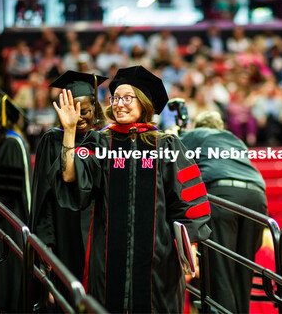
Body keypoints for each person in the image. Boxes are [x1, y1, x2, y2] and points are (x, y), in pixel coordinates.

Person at [51, 65, 211, 313]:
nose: (119, 104)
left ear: (144, 102)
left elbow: (189, 199)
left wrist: (190, 249)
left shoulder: (167, 145)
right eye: (116, 98)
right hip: (108, 256)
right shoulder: (100, 141)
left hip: (158, 257)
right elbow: (71, 175)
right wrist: (70, 131)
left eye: (127, 98)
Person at [180, 111, 268, 313]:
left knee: (220, 268)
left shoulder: (199, 133)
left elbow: (173, 147)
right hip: (257, 197)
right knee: (242, 270)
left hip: (223, 195)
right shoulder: (235, 140)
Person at [30, 71, 108, 287]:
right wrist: (46, 241)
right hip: (63, 230)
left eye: (85, 111)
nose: (79, 117)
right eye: (73, 111)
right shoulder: (51, 140)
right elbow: (43, 196)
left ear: (95, 108)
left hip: (97, 233)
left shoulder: (101, 141)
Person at [0, 94, 31, 312]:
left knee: (9, 277)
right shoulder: (6, 143)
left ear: (1, 118)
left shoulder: (12, 143)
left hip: (11, 219)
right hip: (3, 219)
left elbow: (9, 187)